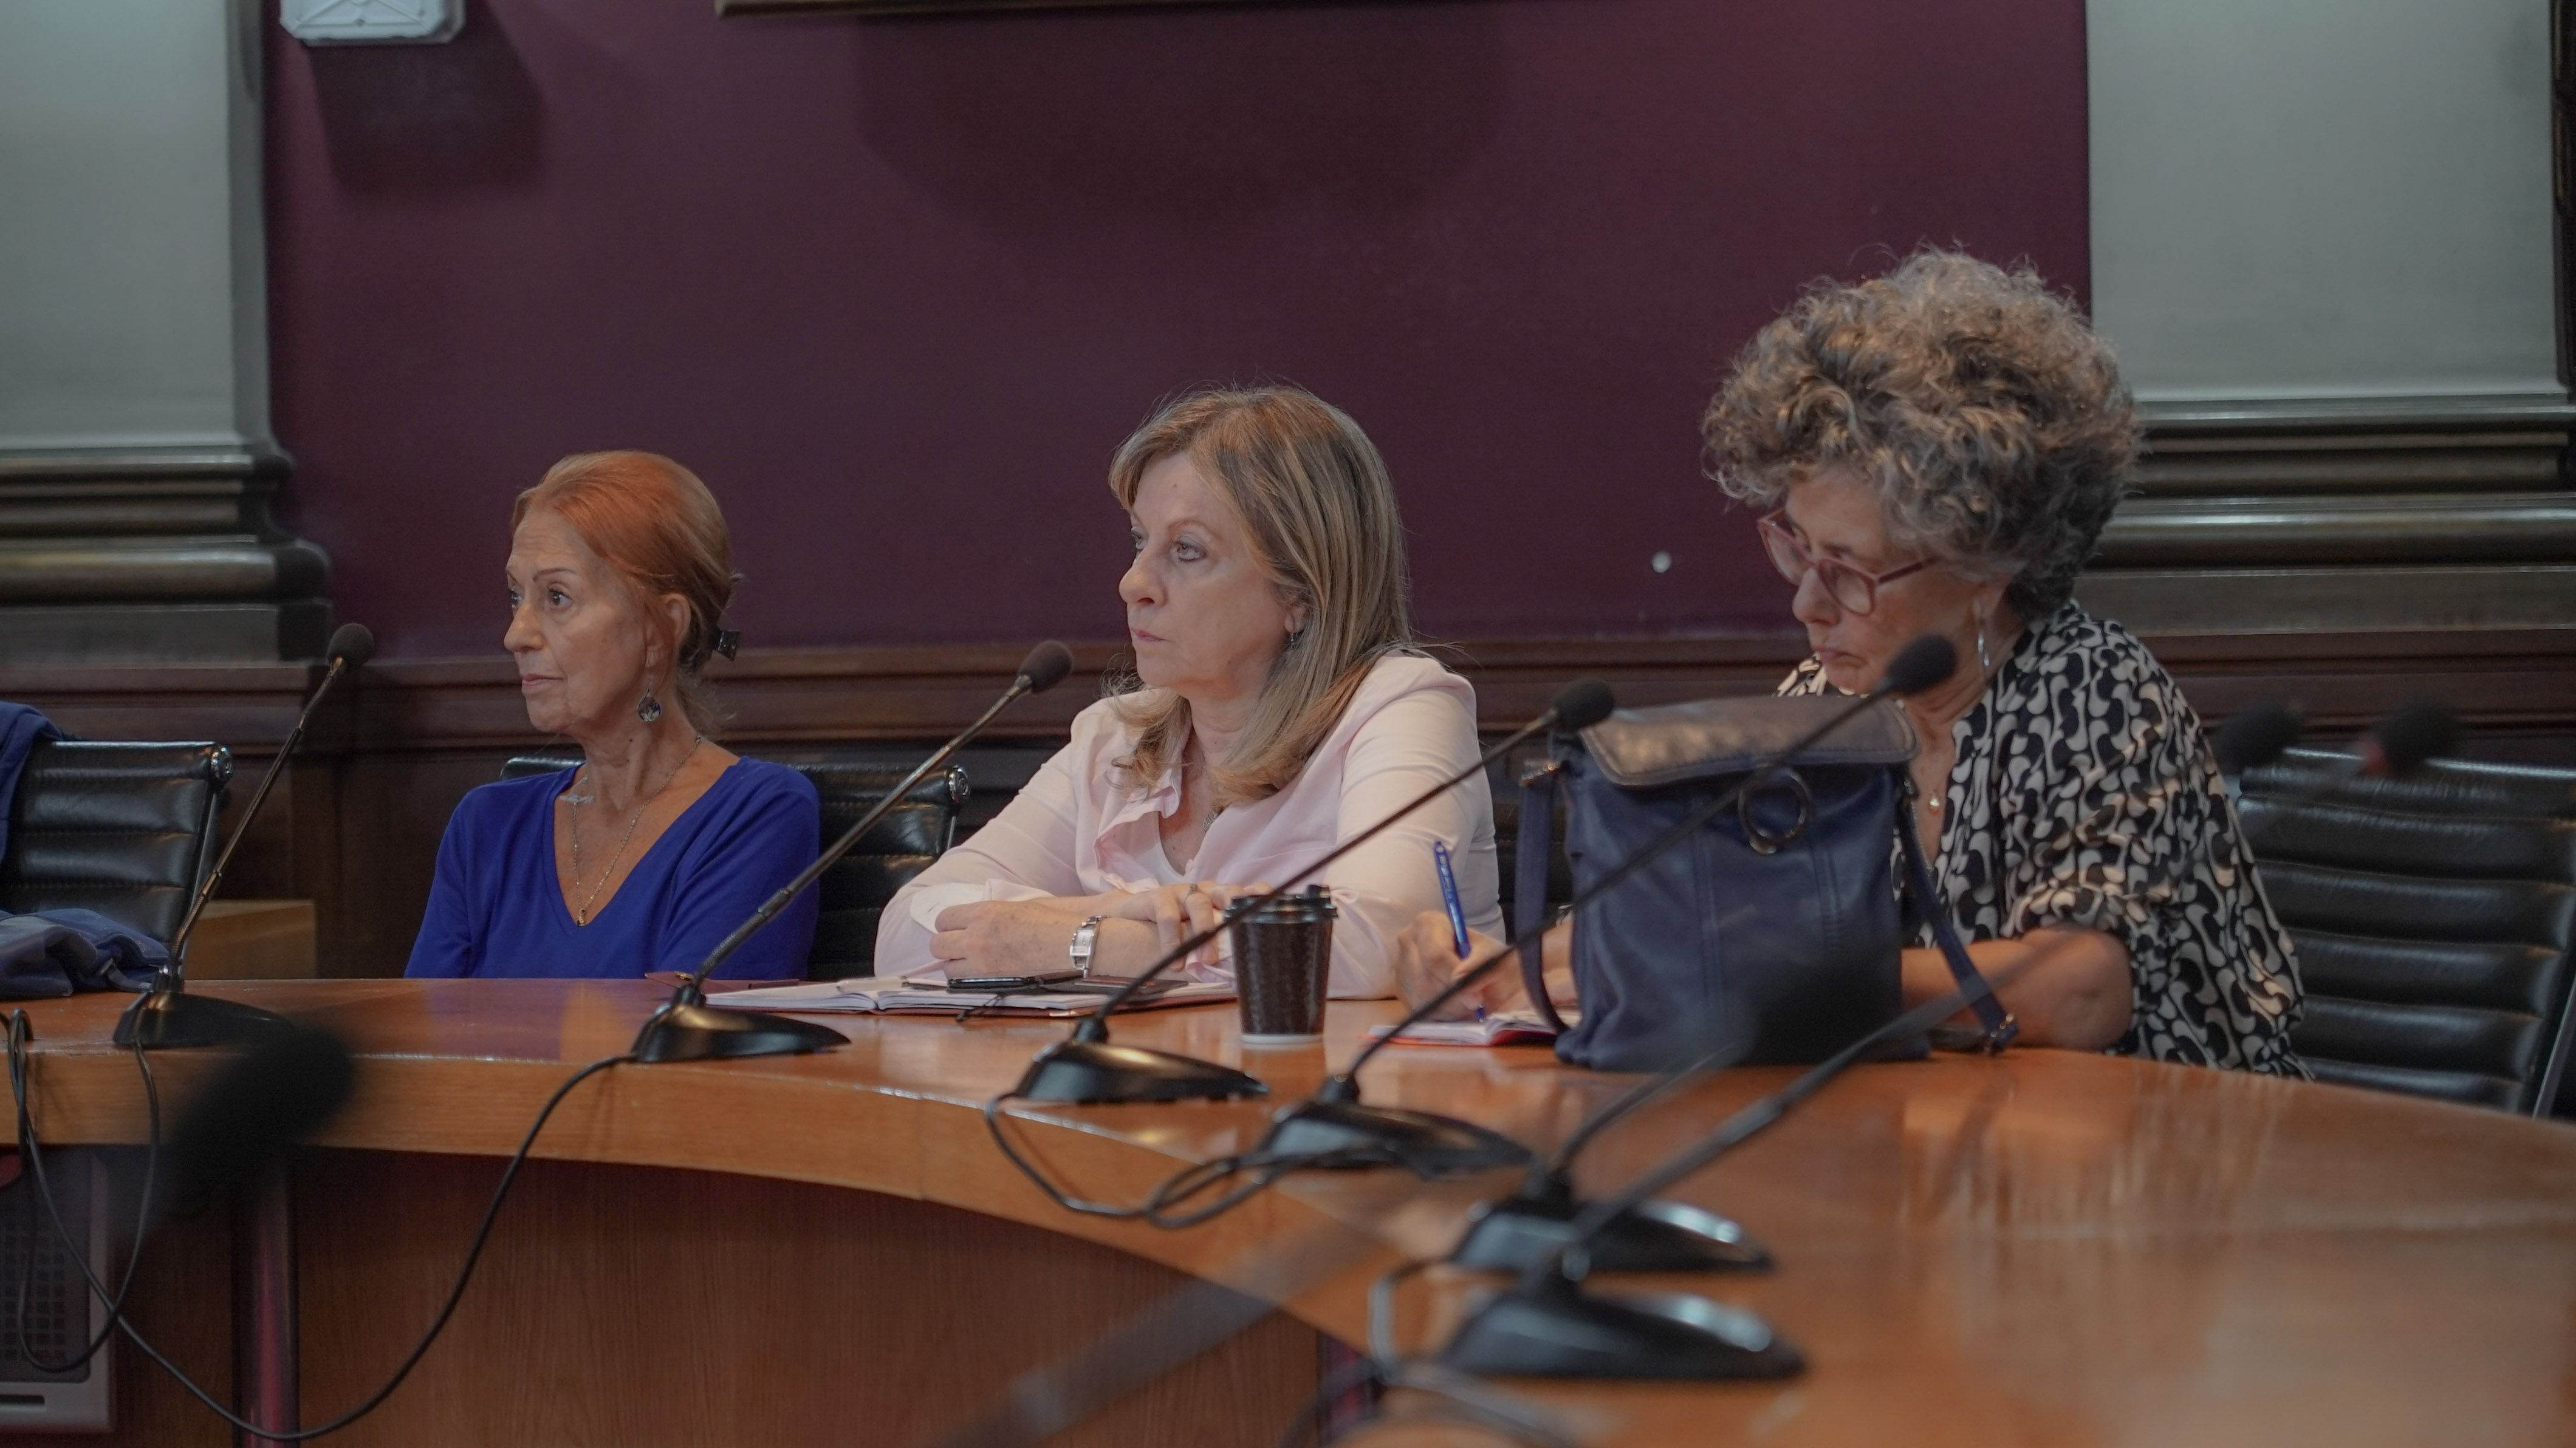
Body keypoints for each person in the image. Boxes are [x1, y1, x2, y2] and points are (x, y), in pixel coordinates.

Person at [1394, 250, 2304, 1074]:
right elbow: (1700, 916)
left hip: (2170, 1157)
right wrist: (1509, 966)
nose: (1807, 603)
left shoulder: (2096, 693)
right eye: (1797, 548)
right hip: (1940, 1145)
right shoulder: (1830, 700)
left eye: (1851, 570)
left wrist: (1797, 983)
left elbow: (2080, 990)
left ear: (1986, 567)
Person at [876, 386, 1498, 998]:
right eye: (1138, 540)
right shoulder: (1115, 738)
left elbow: (1378, 942)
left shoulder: (1402, 708)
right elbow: (906, 929)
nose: (1133, 582)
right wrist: (1108, 913)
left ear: (1302, 593)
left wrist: (1090, 943)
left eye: (1187, 550)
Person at [406, 452, 821, 980]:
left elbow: (679, 1025)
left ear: (660, 629)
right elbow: (422, 1024)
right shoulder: (486, 827)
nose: (515, 635)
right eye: (515, 596)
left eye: (557, 597)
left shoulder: (759, 812)